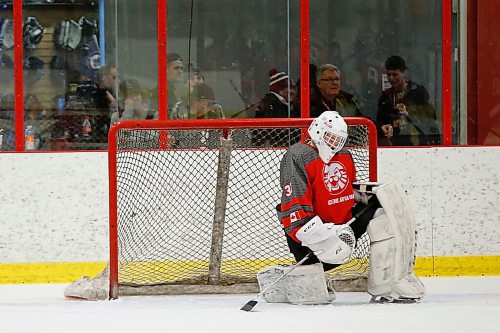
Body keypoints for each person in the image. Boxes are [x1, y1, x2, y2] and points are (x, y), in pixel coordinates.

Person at [264, 111, 425, 304]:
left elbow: (345, 188)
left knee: (385, 213)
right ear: (317, 131)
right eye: (331, 137)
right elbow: (295, 204)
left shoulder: (345, 155)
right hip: (314, 234)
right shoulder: (298, 155)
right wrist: (318, 236)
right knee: (313, 294)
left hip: (345, 224)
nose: (335, 144)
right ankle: (299, 276)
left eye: (339, 139)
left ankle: (387, 283)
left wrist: (362, 197)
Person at [376, 56, 440, 146]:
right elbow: (380, 122)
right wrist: (384, 128)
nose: (391, 78)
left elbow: (430, 120)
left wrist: (410, 114)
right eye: (388, 74)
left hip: (419, 147)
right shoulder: (386, 97)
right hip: (395, 148)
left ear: (404, 73)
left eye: (395, 74)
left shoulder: (418, 93)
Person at [253, 69, 299, 147]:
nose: (293, 92)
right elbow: (269, 134)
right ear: (279, 90)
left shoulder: (281, 104)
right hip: (272, 152)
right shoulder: (270, 105)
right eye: (289, 88)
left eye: (293, 88)